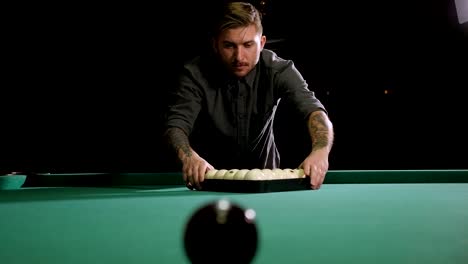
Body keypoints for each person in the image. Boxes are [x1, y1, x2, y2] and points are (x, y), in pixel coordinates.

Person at [163, 1, 334, 190]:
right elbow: (176, 125)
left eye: (248, 45)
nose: (239, 57)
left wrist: (321, 151)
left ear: (261, 43)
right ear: (215, 45)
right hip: (208, 182)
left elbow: (314, 112)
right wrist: (190, 158)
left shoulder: (278, 69)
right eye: (229, 46)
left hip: (267, 184)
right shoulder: (195, 73)